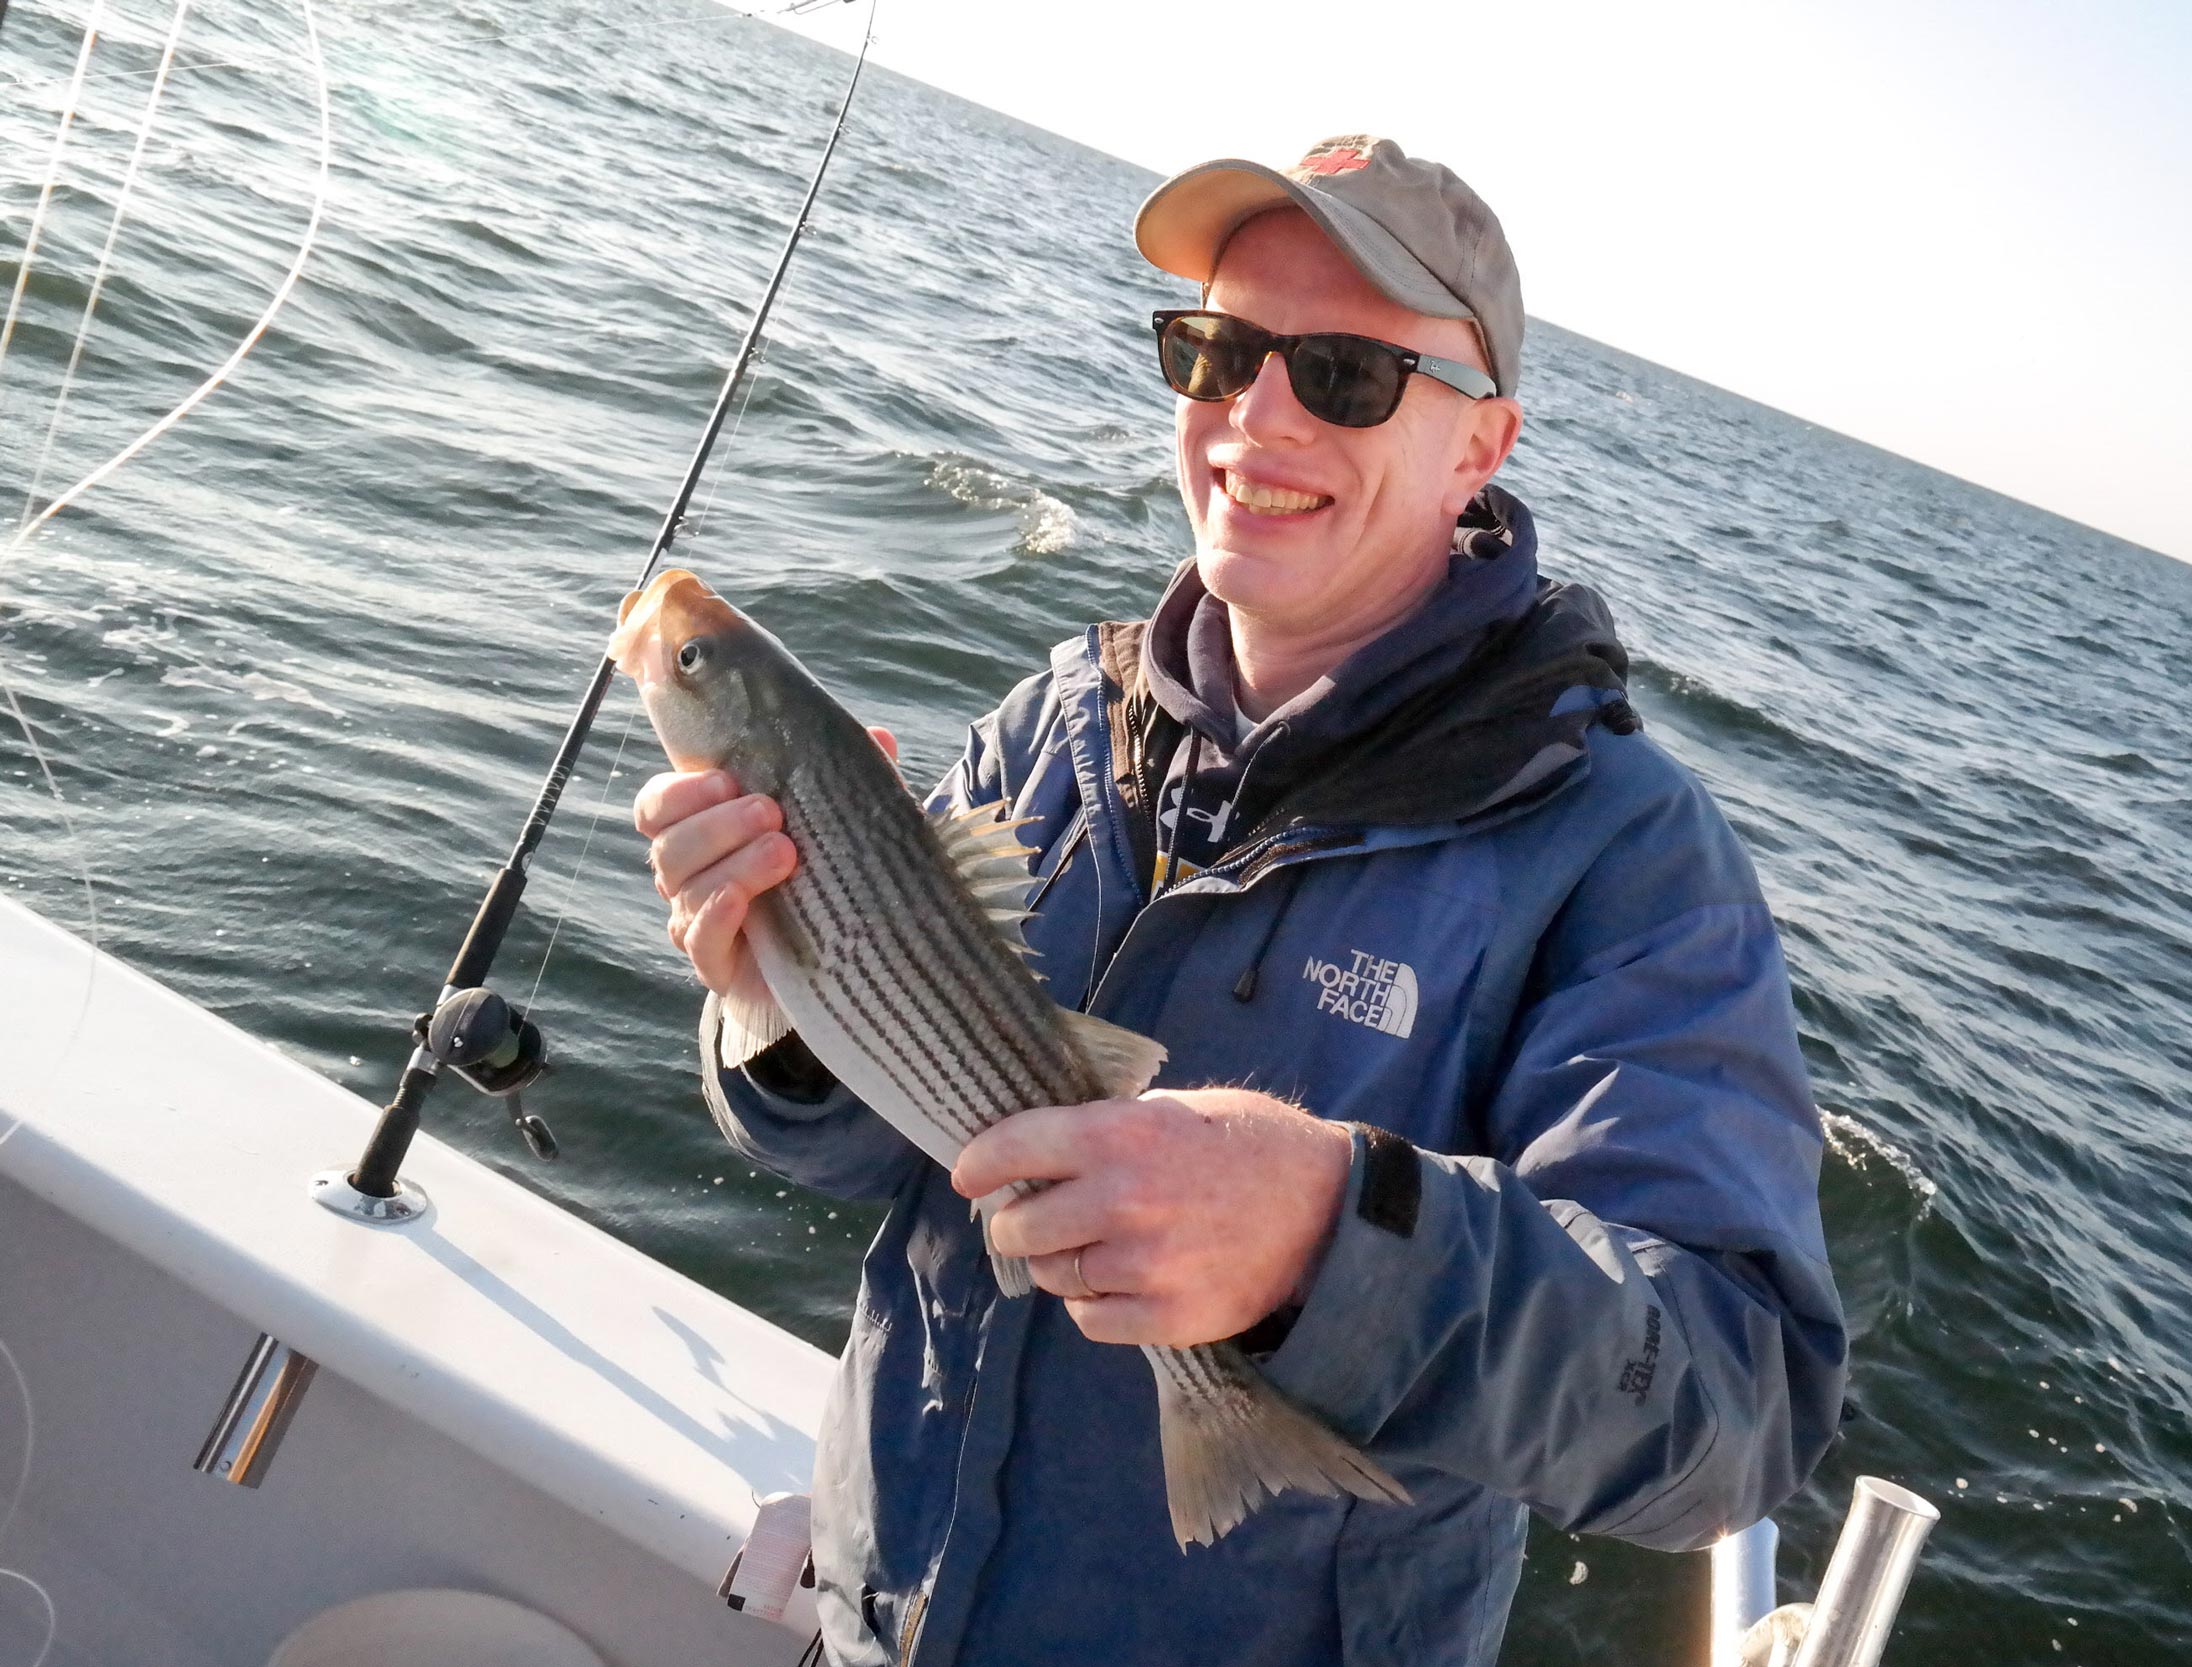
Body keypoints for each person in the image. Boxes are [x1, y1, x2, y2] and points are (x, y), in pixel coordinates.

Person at [635, 135, 1845, 1667]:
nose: (1255, 415)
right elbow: (887, 1151)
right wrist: (778, 1009)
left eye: (1345, 374)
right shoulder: (1055, 722)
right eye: (1216, 349)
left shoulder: (1623, 860)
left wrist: (1336, 1238)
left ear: (1484, 447)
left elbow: (1736, 1410)